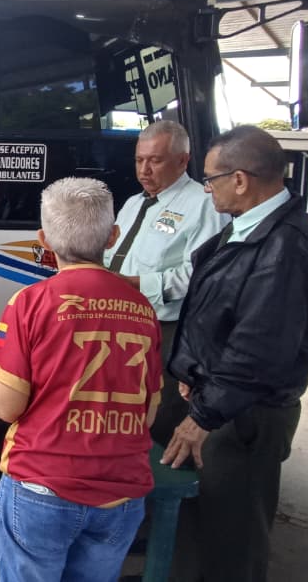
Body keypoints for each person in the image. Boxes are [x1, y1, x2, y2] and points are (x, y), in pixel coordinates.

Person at [161, 126, 308, 582]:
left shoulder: (285, 248)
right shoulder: (251, 229)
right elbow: (225, 315)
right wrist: (194, 370)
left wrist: (202, 417)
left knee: (233, 535)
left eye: (210, 179)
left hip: (242, 414)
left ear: (239, 180)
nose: (207, 189)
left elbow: (258, 351)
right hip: (221, 401)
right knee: (200, 519)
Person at [0, 177, 162, 582]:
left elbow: (8, 407)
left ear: (44, 240)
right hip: (121, 490)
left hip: (42, 484)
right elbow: (148, 415)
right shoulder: (142, 308)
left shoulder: (30, 303)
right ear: (113, 236)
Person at [104, 120, 228, 445]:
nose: (144, 170)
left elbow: (199, 276)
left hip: (164, 329)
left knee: (158, 416)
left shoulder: (204, 205)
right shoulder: (134, 203)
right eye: (139, 160)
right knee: (120, 410)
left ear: (183, 160)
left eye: (155, 161)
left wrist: (133, 284)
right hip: (119, 322)